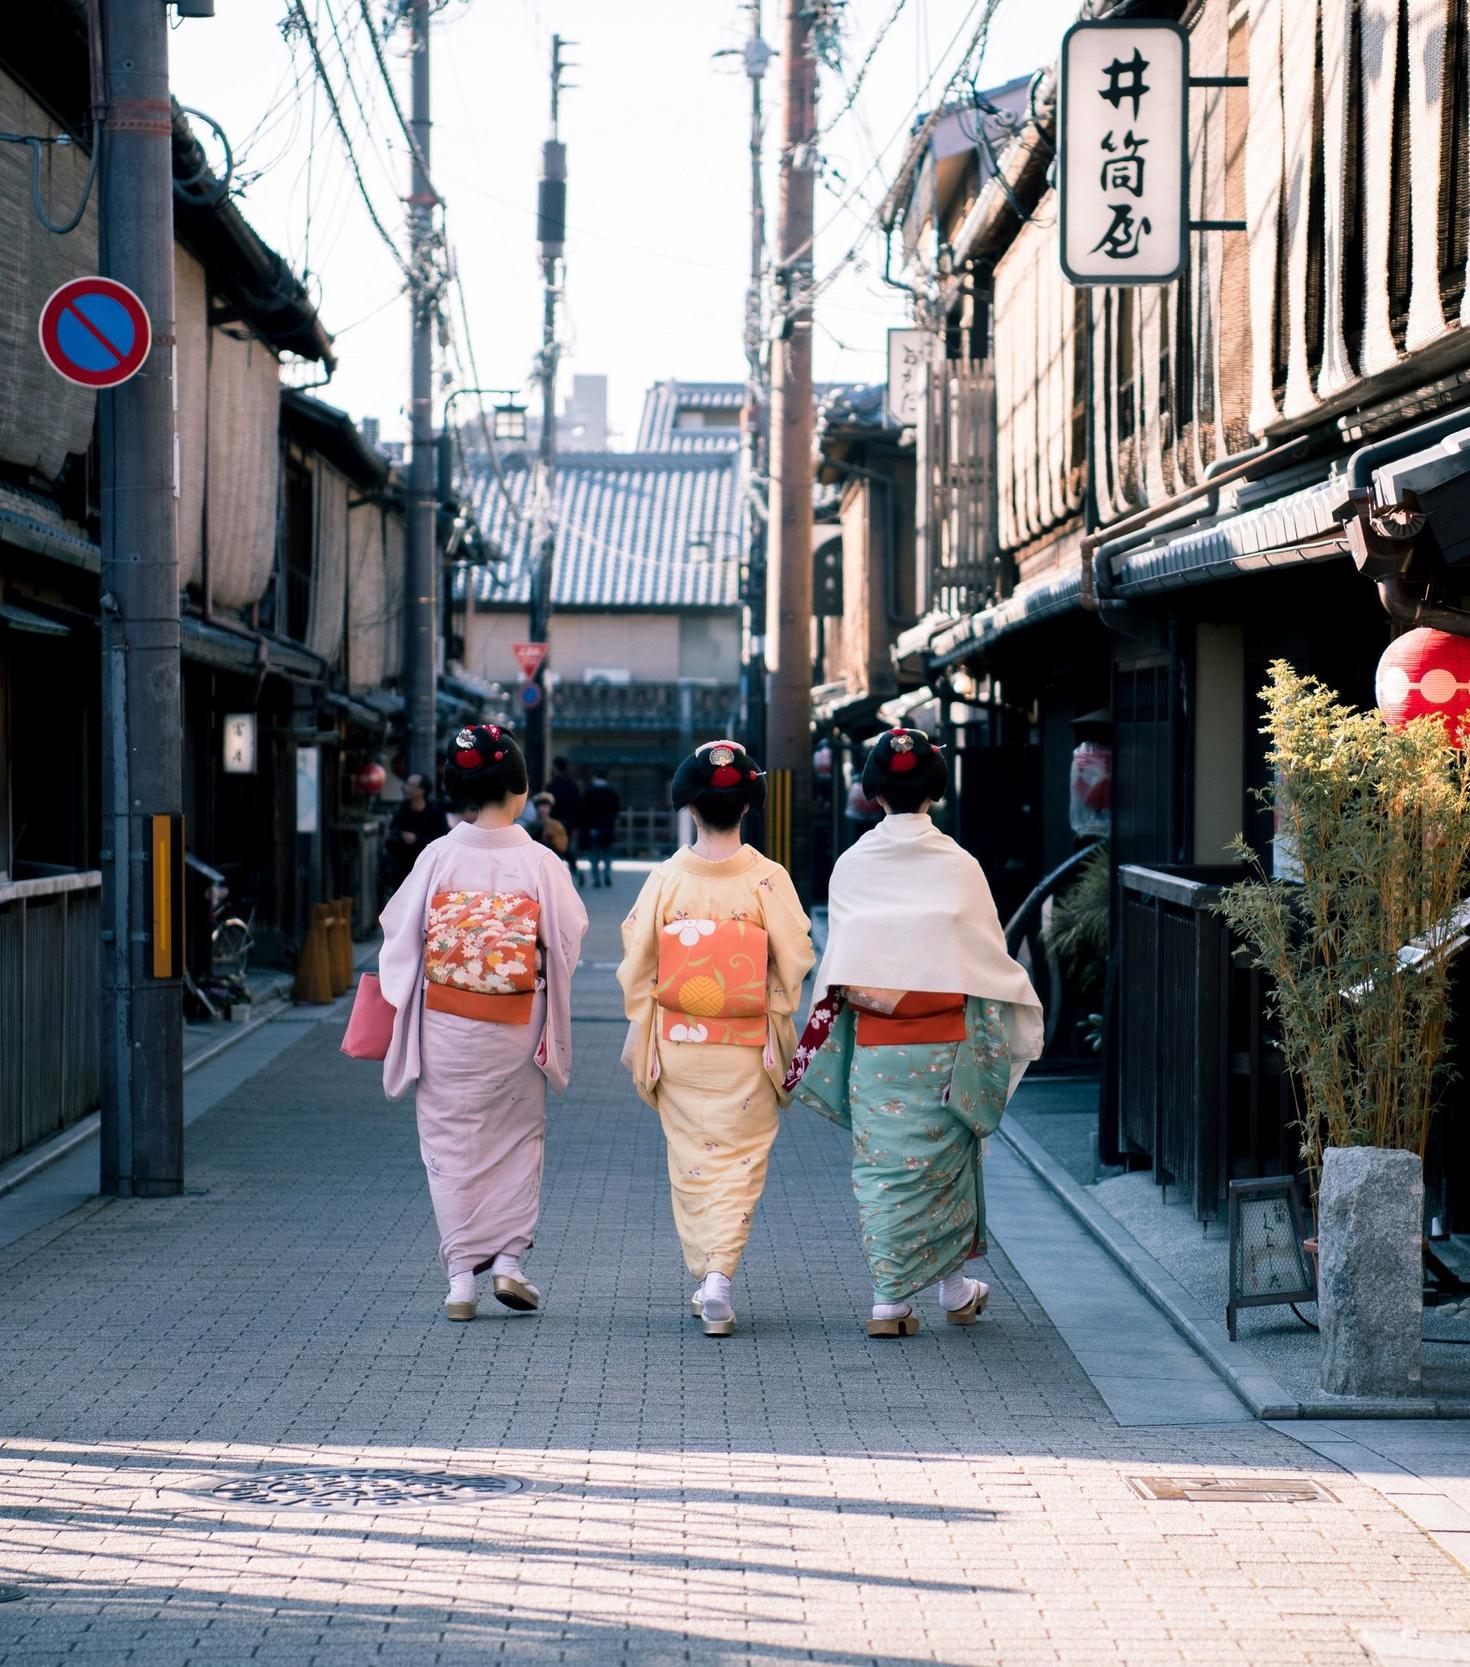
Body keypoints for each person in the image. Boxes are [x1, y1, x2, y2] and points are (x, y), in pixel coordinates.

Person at [788, 727, 1043, 1339]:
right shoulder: (959, 866)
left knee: (884, 1170)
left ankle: (892, 1300)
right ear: (935, 790)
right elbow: (988, 960)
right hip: (949, 1045)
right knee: (952, 1163)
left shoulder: (852, 866)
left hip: (879, 1049)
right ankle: (950, 1290)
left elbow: (842, 963)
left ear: (874, 793)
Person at [378, 724, 589, 1322]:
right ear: (520, 790)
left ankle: (458, 1283)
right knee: (518, 1139)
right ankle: (509, 1264)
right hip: (516, 1022)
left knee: (449, 1144)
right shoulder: (541, 860)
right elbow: (568, 937)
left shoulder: (437, 855)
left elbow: (399, 936)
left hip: (445, 1022)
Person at [617, 740, 814, 1337]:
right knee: (741, 1160)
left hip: (680, 1040)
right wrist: (765, 998)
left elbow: (638, 964)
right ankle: (720, 1277)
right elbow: (796, 957)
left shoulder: (666, 879)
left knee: (691, 1161)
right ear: (747, 807)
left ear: (691, 810)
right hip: (747, 1041)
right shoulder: (767, 879)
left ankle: (707, 1276)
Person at [385, 773, 449, 890]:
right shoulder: (401, 809)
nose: (405, 788)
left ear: (422, 791)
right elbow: (391, 840)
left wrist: (417, 840)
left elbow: (443, 841)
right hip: (402, 870)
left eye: (410, 785)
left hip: (427, 869)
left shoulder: (435, 812)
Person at [547, 756, 584, 889]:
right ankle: (574, 871)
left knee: (555, 848)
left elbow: (549, 804)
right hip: (569, 821)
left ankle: (558, 875)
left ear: (556, 768)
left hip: (555, 820)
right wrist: (577, 823)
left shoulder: (553, 785)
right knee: (565, 847)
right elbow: (578, 804)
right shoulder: (572, 784)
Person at [581, 770, 621, 888]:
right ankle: (607, 873)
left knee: (594, 854)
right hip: (608, 826)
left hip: (592, 826)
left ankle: (596, 878)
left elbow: (584, 810)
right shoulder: (611, 791)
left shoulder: (589, 791)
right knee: (607, 852)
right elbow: (616, 809)